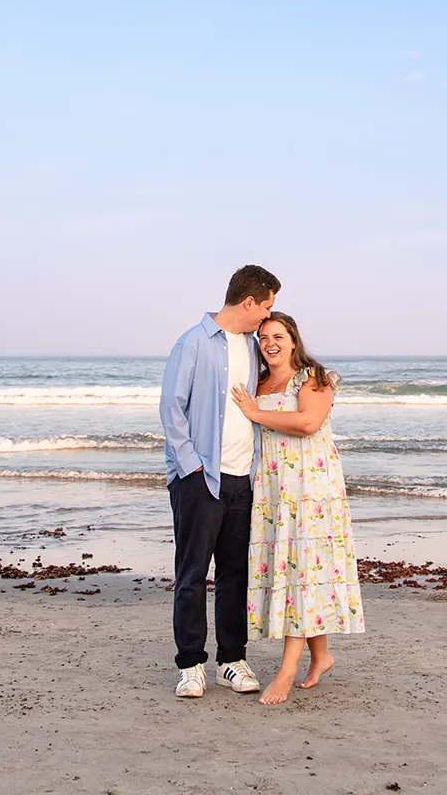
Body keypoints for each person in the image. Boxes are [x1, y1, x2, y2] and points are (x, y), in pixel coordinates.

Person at [229, 311, 364, 704]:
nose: (270, 342)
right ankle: (320, 655)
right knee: (298, 567)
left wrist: (255, 413)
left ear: (293, 340)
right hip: (273, 486)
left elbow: (308, 422)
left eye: (278, 336)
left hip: (311, 486)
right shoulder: (258, 382)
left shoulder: (314, 377)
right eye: (264, 336)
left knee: (301, 570)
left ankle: (287, 671)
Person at [159, 264, 280, 699]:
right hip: (199, 478)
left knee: (236, 573)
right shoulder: (192, 343)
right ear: (249, 302)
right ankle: (191, 665)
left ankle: (232, 660)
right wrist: (191, 468)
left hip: (242, 479)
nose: (268, 316)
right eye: (267, 306)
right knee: (191, 574)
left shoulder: (252, 348)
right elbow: (172, 408)